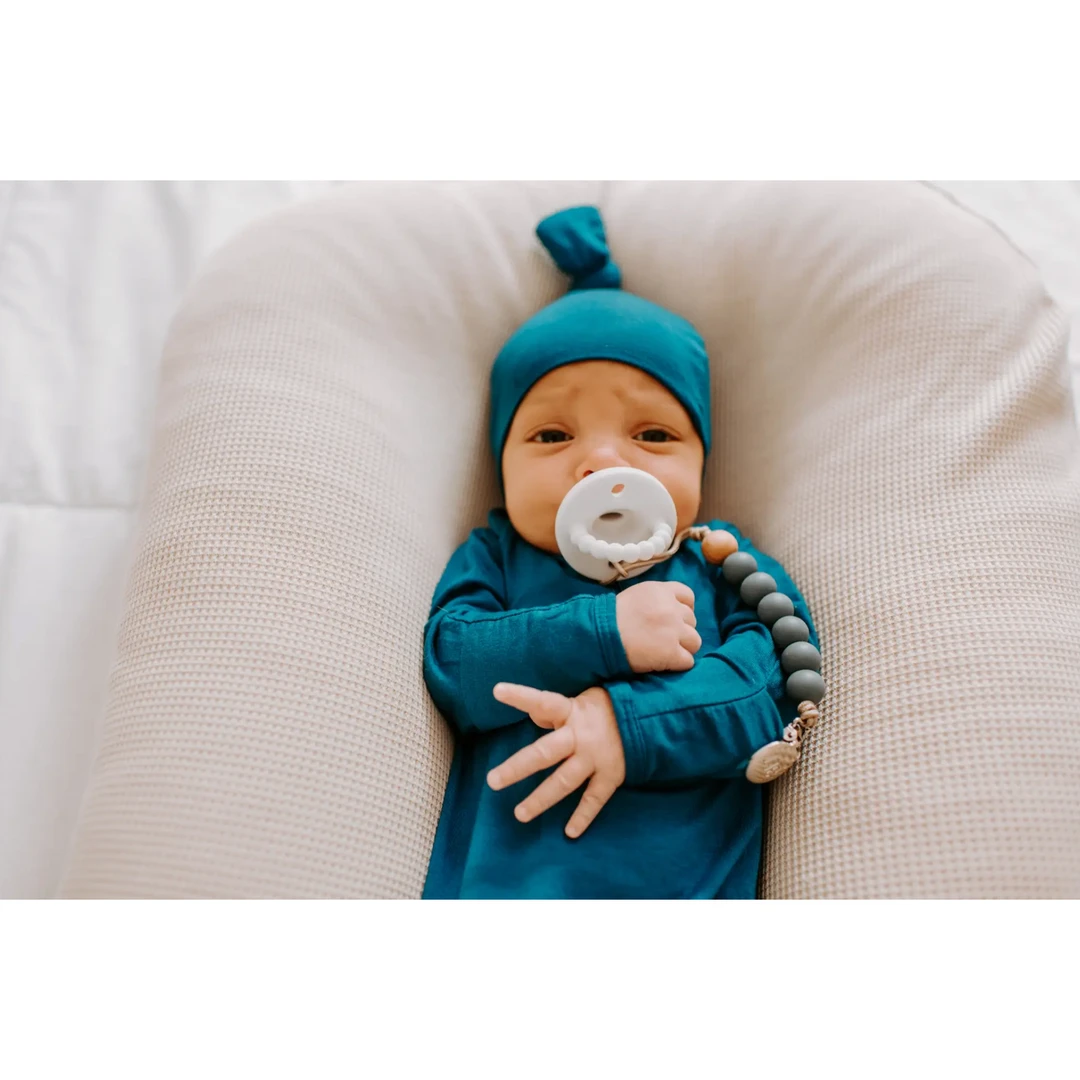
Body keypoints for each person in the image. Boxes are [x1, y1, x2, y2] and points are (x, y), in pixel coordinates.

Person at [421, 205, 819, 899]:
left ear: (701, 461)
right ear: (501, 464)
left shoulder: (720, 562)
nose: (605, 461)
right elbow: (454, 665)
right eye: (552, 436)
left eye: (653, 436)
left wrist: (626, 724)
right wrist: (603, 631)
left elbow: (771, 687)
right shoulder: (497, 556)